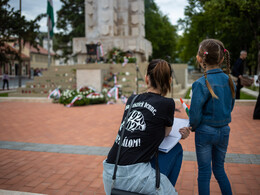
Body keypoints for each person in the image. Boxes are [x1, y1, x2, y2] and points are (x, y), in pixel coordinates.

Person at [103, 59, 191, 194]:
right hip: (133, 176)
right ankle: (163, 188)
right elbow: (166, 133)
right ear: (169, 81)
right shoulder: (167, 103)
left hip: (110, 172)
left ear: (146, 78)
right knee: (176, 149)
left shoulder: (132, 99)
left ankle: (160, 186)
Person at [189, 39, 235, 195]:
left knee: (204, 173)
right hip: (224, 130)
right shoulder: (230, 81)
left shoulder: (201, 83)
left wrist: (192, 126)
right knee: (219, 169)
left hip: (205, 132)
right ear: (222, 59)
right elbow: (230, 107)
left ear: (199, 58)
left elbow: (195, 115)